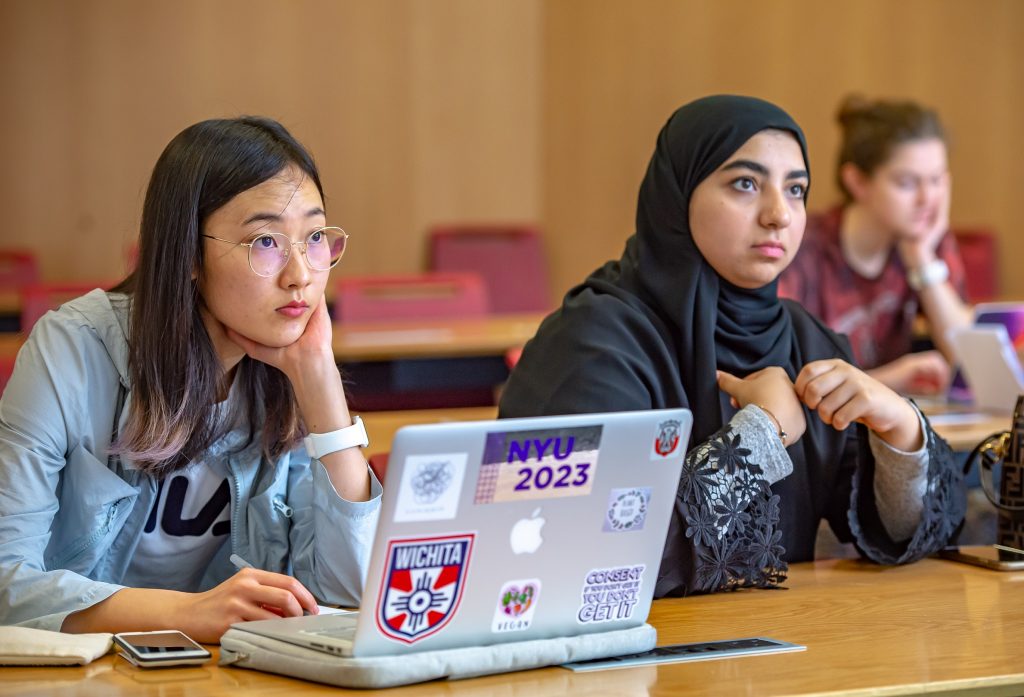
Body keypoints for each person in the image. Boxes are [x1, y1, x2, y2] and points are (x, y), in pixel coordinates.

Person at [499, 95, 965, 597]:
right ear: (680, 192)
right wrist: (760, 436)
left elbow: (895, 531)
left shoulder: (808, 343)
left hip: (784, 642)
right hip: (636, 644)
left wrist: (899, 432)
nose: (778, 215)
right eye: (745, 184)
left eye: (796, 189)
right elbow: (580, 551)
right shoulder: (594, 342)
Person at [0, 117, 381, 641]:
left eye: (314, 237)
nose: (301, 275)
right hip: (89, 669)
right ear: (189, 255)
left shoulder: (289, 372)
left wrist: (323, 388)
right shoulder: (72, 350)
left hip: (226, 669)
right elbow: (7, 584)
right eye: (265, 241)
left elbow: (350, 595)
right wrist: (187, 613)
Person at [778, 96, 971, 395]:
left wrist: (922, 260)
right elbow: (779, 383)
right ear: (857, 182)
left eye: (936, 181)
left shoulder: (925, 240)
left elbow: (970, 361)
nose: (927, 199)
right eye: (907, 183)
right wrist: (886, 381)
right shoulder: (803, 248)